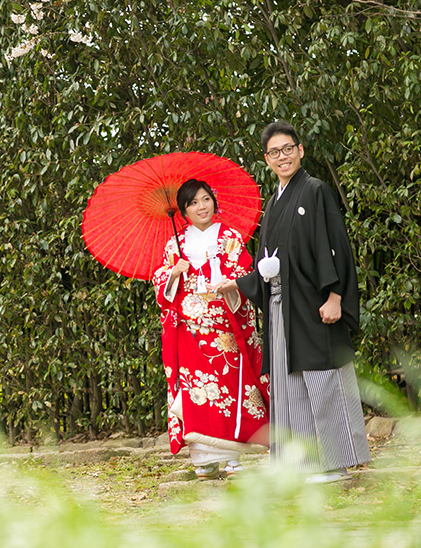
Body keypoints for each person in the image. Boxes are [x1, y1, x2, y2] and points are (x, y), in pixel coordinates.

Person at [216, 121, 371, 483]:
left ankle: (335, 463)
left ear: (301, 151)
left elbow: (337, 247)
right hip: (281, 308)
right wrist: (240, 283)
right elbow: (267, 262)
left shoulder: (316, 191)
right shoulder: (273, 203)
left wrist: (335, 296)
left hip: (315, 304)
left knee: (323, 379)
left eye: (288, 149)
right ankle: (302, 464)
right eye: (274, 152)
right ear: (266, 159)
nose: (282, 157)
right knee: (292, 387)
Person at [152, 178, 270, 479]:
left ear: (213, 202)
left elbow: (245, 272)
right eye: (192, 203)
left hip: (225, 327)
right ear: (183, 211)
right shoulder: (174, 244)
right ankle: (202, 459)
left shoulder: (229, 237)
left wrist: (229, 283)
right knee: (197, 393)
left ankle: (232, 458)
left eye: (205, 199)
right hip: (191, 330)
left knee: (229, 391)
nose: (200, 207)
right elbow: (161, 284)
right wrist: (174, 274)